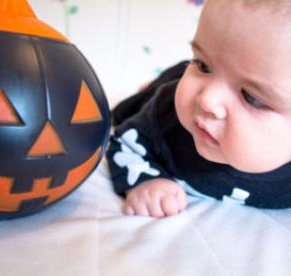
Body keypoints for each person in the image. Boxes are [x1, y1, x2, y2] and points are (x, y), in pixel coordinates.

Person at [106, 0, 291, 218]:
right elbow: (125, 142)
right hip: (168, 88)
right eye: (203, 64)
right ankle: (153, 86)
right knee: (134, 106)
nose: (207, 100)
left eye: (251, 97)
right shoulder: (166, 118)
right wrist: (147, 180)